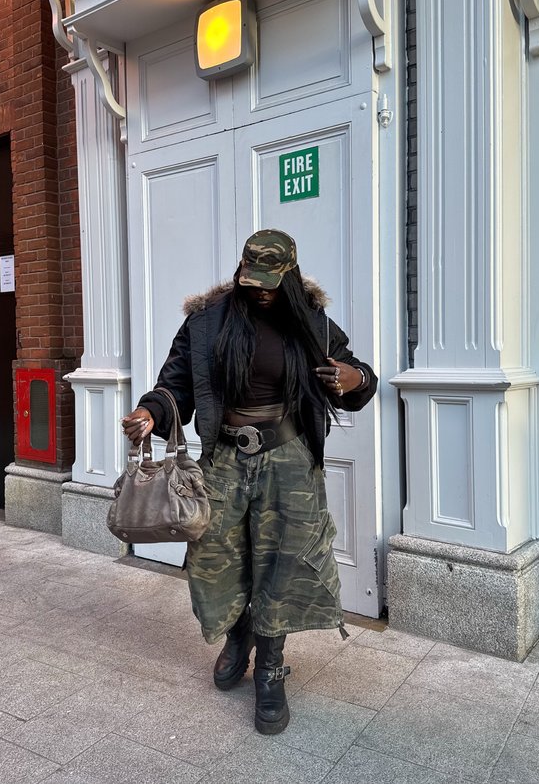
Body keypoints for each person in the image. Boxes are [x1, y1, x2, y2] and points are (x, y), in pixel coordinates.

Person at [122, 229, 377, 735]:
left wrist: (355, 379)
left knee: (283, 563)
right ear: (240, 270)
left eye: (270, 282)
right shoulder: (206, 323)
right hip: (223, 460)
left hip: (288, 459)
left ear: (289, 276)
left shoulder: (311, 324)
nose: (260, 290)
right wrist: (150, 413)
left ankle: (270, 668)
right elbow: (173, 384)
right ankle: (239, 636)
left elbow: (356, 373)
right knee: (215, 558)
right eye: (251, 279)